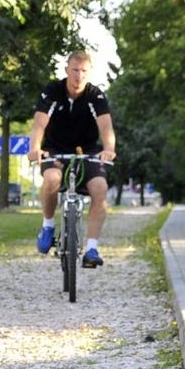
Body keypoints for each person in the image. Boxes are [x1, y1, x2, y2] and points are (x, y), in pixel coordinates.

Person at [27, 50, 116, 268]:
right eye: (75, 70)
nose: (79, 76)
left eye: (83, 71)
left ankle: (92, 248)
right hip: (55, 151)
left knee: (100, 187)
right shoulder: (52, 92)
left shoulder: (96, 96)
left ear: (89, 72)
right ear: (67, 70)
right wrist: (34, 148)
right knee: (51, 179)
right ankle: (48, 226)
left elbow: (106, 126)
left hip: (86, 152)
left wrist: (109, 149)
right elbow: (39, 124)